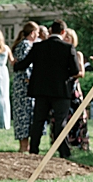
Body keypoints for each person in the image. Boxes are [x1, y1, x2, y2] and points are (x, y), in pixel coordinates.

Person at [13, 20, 79, 158]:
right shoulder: (68, 48)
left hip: (41, 90)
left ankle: (34, 149)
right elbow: (75, 70)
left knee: (38, 120)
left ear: (50, 31)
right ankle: (64, 151)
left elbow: (24, 64)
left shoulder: (38, 46)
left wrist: (15, 64)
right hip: (61, 90)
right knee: (60, 122)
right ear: (63, 32)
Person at [10, 22, 38, 152]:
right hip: (24, 87)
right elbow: (25, 66)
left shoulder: (23, 45)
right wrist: (29, 81)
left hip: (22, 86)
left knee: (26, 115)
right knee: (24, 115)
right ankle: (23, 147)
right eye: (37, 32)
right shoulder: (26, 46)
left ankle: (25, 146)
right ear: (32, 33)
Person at [64, 27, 90, 152]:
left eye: (68, 37)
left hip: (74, 88)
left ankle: (82, 143)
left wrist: (69, 73)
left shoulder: (77, 54)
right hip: (63, 88)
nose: (66, 39)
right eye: (65, 36)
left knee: (79, 115)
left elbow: (81, 73)